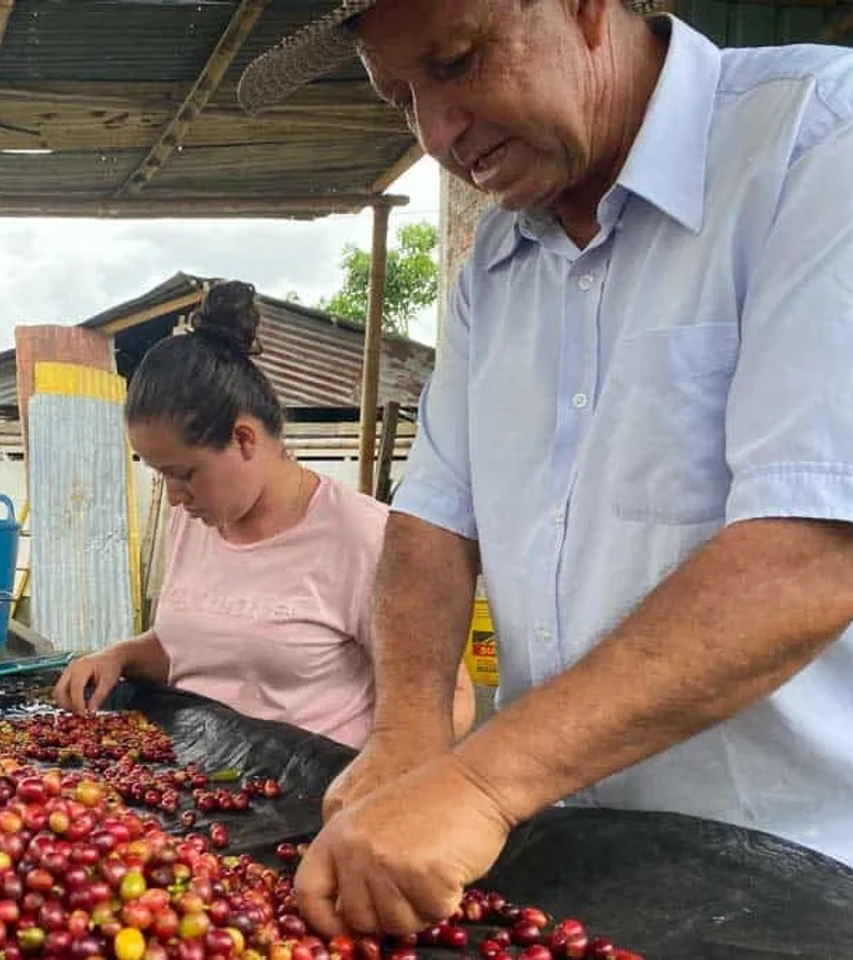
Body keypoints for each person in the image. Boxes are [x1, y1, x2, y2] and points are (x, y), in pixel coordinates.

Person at [235, 0, 853, 938]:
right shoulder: (495, 260)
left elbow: (811, 550)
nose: (439, 134)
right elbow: (436, 513)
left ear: (585, 9)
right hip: (565, 860)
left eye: (455, 62)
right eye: (401, 96)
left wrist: (481, 782)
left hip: (802, 880)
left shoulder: (818, 143)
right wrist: (410, 729)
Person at [53, 280, 475, 749]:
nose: (174, 497)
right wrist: (121, 655)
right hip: (200, 789)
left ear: (244, 439)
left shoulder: (365, 538)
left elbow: (450, 698)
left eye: (185, 474)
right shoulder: (194, 520)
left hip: (315, 801)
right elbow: (201, 648)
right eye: (161, 476)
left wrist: (383, 781)